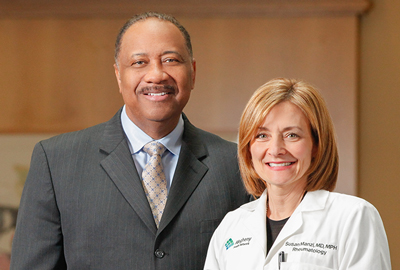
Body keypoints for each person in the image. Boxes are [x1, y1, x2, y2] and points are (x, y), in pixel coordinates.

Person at [10, 12, 249, 270]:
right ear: (118, 75)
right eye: (139, 62)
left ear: (192, 72)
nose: (156, 75)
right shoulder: (56, 161)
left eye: (170, 60)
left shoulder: (236, 164)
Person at [204, 78, 391, 269]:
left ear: (317, 145)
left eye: (291, 135)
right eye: (262, 135)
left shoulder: (354, 218)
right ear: (248, 148)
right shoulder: (231, 226)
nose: (275, 149)